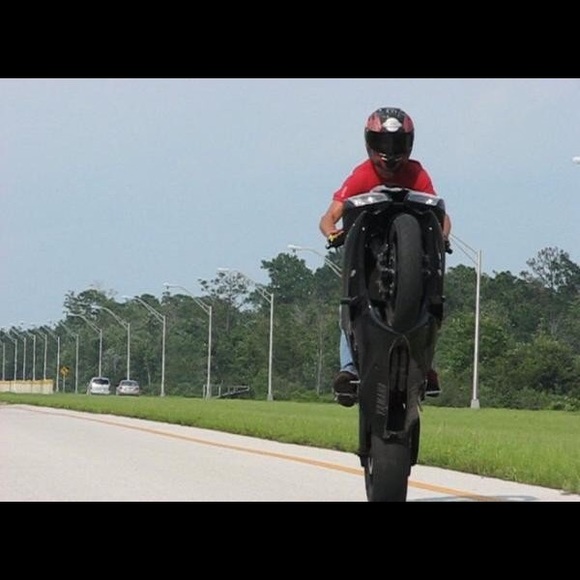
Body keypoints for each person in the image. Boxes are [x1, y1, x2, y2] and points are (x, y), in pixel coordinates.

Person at [319, 106, 452, 407]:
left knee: (434, 300)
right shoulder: (362, 174)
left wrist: (442, 237)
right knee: (350, 302)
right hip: (369, 260)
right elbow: (329, 216)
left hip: (413, 264)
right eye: (383, 144)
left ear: (409, 144)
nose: (390, 153)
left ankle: (426, 366)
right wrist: (332, 234)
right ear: (370, 143)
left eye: (397, 144)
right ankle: (349, 370)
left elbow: (441, 215)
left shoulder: (417, 173)